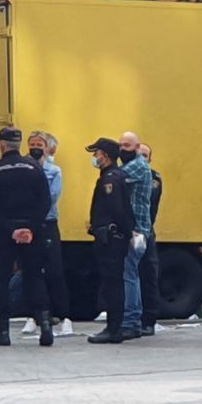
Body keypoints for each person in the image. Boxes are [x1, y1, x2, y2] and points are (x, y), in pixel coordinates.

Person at [0, 127, 54, 347]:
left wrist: (11, 230)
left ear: (2, 145)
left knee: (2, 279)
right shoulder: (34, 168)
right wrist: (30, 228)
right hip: (33, 233)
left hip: (5, 234)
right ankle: (45, 326)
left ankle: (3, 332)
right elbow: (45, 202)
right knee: (34, 277)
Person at [25, 130, 74, 337]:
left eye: (40, 144)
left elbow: (52, 196)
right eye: (32, 143)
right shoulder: (24, 168)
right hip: (29, 225)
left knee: (54, 271)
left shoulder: (55, 171)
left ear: (47, 148)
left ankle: (64, 317)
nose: (36, 147)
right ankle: (33, 316)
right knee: (30, 272)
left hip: (47, 222)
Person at [86, 138, 135, 344]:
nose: (94, 157)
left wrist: (118, 231)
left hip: (111, 239)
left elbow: (117, 210)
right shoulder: (115, 175)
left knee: (112, 284)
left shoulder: (110, 179)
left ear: (105, 155)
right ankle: (114, 327)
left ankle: (113, 329)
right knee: (113, 283)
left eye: (96, 153)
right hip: (113, 236)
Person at [117, 131, 153, 339]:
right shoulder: (137, 165)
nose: (123, 149)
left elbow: (116, 176)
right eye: (121, 145)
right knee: (132, 273)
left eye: (127, 146)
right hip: (139, 229)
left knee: (129, 273)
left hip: (136, 231)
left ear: (138, 148)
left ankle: (131, 320)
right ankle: (134, 318)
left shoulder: (138, 166)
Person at [138, 143, 163, 332]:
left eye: (145, 155)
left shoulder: (154, 178)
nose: (141, 158)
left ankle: (149, 320)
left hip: (144, 231)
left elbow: (151, 202)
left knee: (148, 275)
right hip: (130, 231)